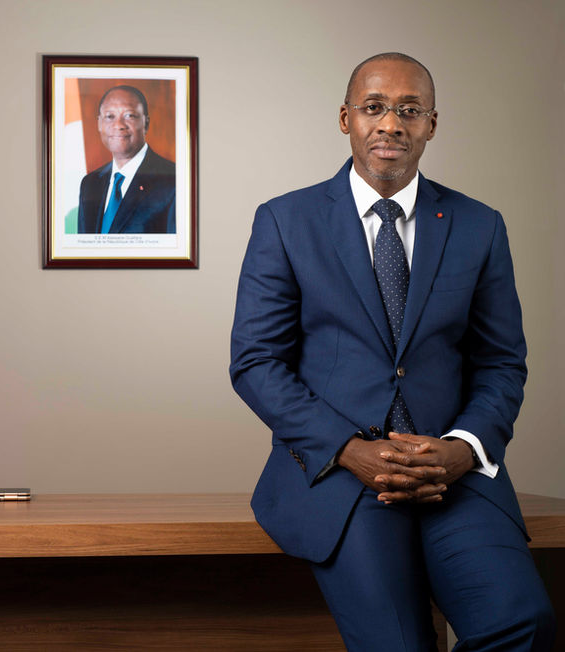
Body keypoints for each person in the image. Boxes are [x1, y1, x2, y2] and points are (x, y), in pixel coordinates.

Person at [229, 53, 555, 651]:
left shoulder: (479, 225)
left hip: (451, 473)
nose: (390, 124)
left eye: (409, 110)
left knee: (522, 622)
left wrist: (463, 448)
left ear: (432, 124)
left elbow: (501, 362)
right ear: (346, 119)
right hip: (340, 473)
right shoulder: (285, 221)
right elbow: (257, 362)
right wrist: (349, 449)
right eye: (374, 107)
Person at [77, 85, 176, 234]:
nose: (118, 125)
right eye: (110, 116)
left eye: (129, 115)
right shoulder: (90, 184)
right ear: (99, 123)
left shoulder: (173, 180)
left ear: (146, 123)